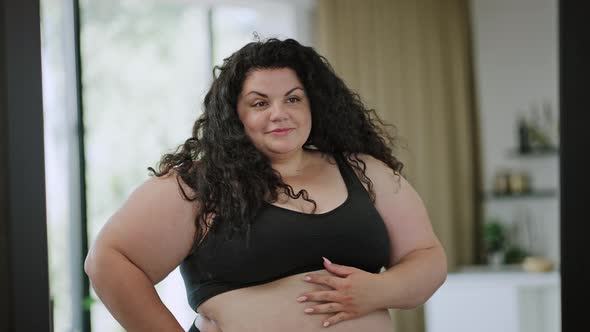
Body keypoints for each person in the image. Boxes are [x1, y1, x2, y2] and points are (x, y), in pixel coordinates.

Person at [84, 38, 447, 332]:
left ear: (314, 106)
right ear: (234, 116)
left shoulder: (364, 171)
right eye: (260, 102)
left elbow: (428, 258)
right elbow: (109, 262)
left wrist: (377, 290)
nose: (279, 113)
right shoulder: (201, 184)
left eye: (293, 98)